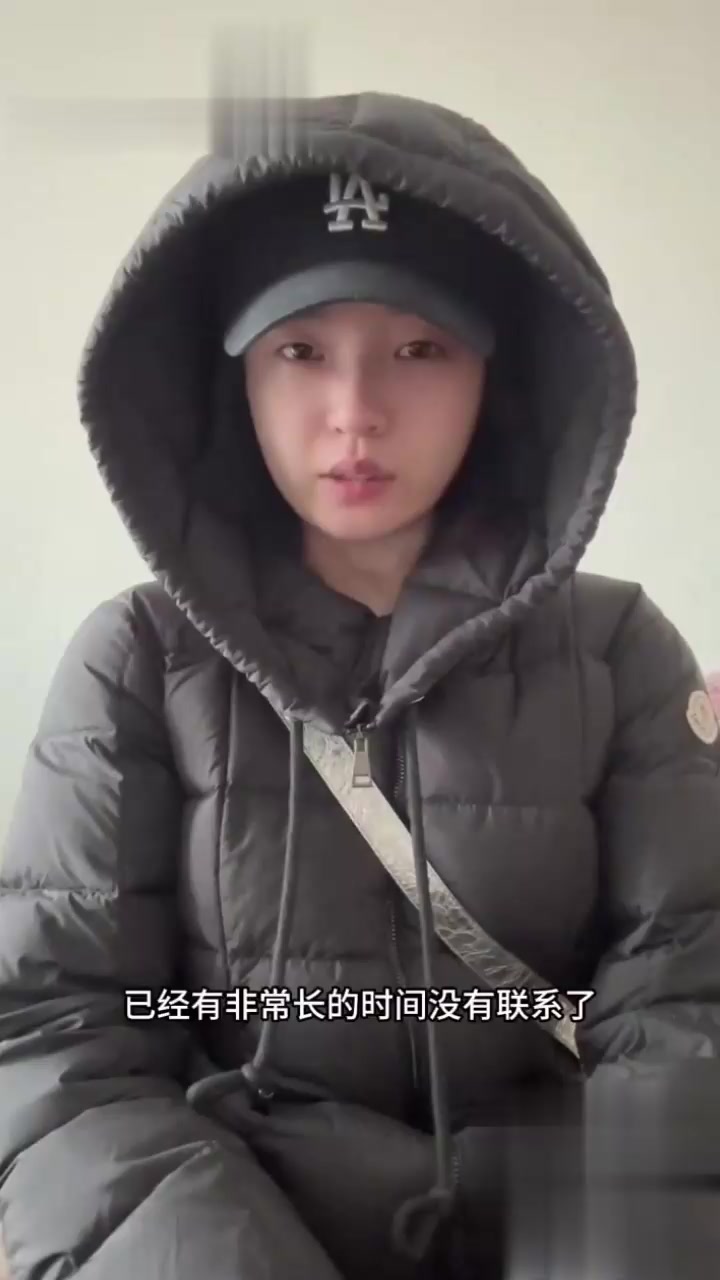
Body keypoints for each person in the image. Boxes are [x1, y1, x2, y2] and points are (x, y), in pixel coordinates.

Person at [1, 89, 719, 1280]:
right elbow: (57, 1040)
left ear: (497, 373)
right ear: (235, 374)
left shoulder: (619, 650)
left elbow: (688, 1000)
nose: (355, 413)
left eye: (419, 348)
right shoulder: (135, 658)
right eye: (300, 350)